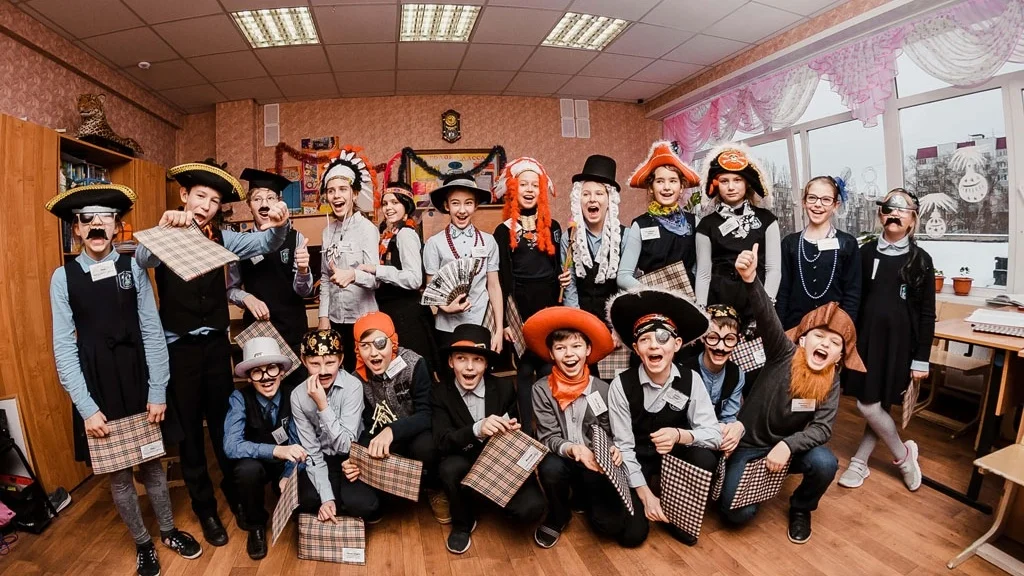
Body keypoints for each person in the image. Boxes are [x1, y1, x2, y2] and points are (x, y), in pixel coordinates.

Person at [47, 183, 201, 576]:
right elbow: (63, 348)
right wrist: (86, 408)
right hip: (98, 386)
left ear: (117, 226)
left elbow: (152, 330)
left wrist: (158, 389)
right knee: (118, 474)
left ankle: (168, 531)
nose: (96, 225)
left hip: (138, 378)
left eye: (105, 218)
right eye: (87, 220)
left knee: (152, 465)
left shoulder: (133, 267)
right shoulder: (62, 278)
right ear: (76, 229)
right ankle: (143, 543)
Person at [135, 159, 291, 546]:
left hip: (217, 348)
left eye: (214, 201)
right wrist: (162, 228)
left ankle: (236, 495)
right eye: (200, 196)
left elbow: (266, 243)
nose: (206, 205)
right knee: (190, 434)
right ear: (184, 196)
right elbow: (142, 260)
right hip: (180, 350)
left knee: (224, 427)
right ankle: (204, 508)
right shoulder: (166, 233)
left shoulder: (225, 238)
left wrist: (281, 225)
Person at [719, 243, 865, 544]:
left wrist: (787, 445)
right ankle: (762, 482)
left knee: (825, 463)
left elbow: (822, 428)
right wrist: (751, 279)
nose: (824, 344)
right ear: (802, 340)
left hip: (789, 448)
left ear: (839, 356)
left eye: (834, 343)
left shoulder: (832, 380)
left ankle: (801, 507)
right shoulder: (782, 352)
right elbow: (767, 315)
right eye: (819, 336)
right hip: (749, 445)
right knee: (736, 515)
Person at [606, 287, 722, 546]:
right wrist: (646, 497)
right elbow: (624, 448)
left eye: (662, 337)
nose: (654, 345)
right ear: (636, 349)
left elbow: (714, 435)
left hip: (674, 458)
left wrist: (679, 435)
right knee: (632, 536)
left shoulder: (692, 380)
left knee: (704, 457)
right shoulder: (620, 386)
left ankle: (676, 506)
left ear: (676, 344)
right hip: (637, 460)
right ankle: (648, 496)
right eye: (644, 339)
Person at [525, 307, 648, 549]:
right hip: (562, 457)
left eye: (576, 346)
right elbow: (548, 436)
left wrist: (612, 448)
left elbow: (609, 430)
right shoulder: (541, 389)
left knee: (613, 526)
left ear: (588, 350)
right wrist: (574, 449)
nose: (569, 354)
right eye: (560, 348)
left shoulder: (602, 389)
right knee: (549, 467)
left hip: (595, 462)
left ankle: (583, 497)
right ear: (551, 353)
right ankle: (559, 515)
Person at [839, 188, 933, 492]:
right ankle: (904, 455)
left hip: (900, 345)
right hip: (866, 341)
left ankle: (860, 461)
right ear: (881, 214)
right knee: (868, 404)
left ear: (912, 219)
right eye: (889, 208)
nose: (895, 214)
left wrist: (921, 358)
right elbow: (853, 298)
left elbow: (926, 314)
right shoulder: (865, 254)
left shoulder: (921, 260)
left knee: (879, 404)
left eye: (902, 209)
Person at [431, 324, 545, 554]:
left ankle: (491, 499)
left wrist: (512, 431)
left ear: (486, 364)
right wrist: (477, 429)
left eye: (478, 360)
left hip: (500, 460)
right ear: (451, 362)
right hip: (464, 459)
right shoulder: (440, 393)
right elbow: (442, 442)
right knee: (449, 468)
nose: (469, 367)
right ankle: (463, 523)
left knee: (532, 509)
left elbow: (515, 427)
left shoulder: (504, 387)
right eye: (461, 358)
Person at [340, 312, 448, 523]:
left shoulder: (414, 364)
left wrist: (392, 430)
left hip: (416, 435)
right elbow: (365, 425)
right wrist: (355, 458)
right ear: (357, 349)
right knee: (364, 500)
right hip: (384, 444)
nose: (374, 353)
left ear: (393, 342)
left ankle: (434, 487)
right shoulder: (356, 380)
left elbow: (427, 414)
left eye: (380, 343)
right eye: (365, 346)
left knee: (426, 447)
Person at [492, 157, 564, 431]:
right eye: (524, 184)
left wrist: (564, 276)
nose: (530, 189)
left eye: (535, 185)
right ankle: (525, 430)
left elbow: (558, 267)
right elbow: (501, 278)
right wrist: (505, 323)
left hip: (548, 306)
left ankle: (550, 428)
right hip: (518, 306)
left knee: (547, 367)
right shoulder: (503, 231)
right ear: (513, 189)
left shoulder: (553, 227)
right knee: (524, 369)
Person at [228, 168, 313, 389]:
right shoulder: (240, 243)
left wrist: (303, 270)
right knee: (264, 390)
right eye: (257, 199)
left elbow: (304, 292)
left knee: (296, 391)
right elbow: (231, 289)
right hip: (258, 332)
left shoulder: (296, 238)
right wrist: (246, 298)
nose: (264, 204)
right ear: (249, 204)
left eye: (270, 198)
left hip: (292, 329)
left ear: (279, 202)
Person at [223, 337, 306, 560]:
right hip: (255, 463)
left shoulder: (294, 395)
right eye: (257, 372)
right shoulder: (239, 398)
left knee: (304, 484)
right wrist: (275, 450)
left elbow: (301, 442)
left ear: (281, 371)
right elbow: (231, 446)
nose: (266, 377)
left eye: (272, 368)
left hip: (285, 464)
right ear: (249, 377)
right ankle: (255, 525)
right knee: (246, 471)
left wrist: (289, 474)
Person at [291, 329, 381, 523]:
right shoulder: (297, 396)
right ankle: (336, 501)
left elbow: (346, 446)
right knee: (307, 500)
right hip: (322, 457)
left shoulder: (353, 386)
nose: (323, 371)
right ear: (304, 360)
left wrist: (322, 406)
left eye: (330, 362)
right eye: (315, 364)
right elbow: (312, 451)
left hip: (352, 456)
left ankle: (345, 502)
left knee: (363, 505)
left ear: (341, 360)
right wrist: (327, 498)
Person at [695, 144, 781, 329]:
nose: (731, 187)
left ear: (747, 182)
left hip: (756, 296)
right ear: (716, 184)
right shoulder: (706, 224)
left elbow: (774, 269)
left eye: (737, 180)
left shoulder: (767, 220)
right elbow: (703, 274)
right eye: (724, 181)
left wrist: (766, 309)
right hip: (719, 301)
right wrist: (701, 313)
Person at [357, 182, 438, 371]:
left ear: (406, 205)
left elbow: (414, 279)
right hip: (393, 312)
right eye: (385, 203)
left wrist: (376, 269)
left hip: (407, 315)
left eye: (395, 202)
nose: (389, 208)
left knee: (412, 369)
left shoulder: (405, 234)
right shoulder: (390, 234)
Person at [422, 174, 503, 353]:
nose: (462, 210)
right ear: (446, 206)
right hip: (447, 327)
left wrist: (498, 330)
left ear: (475, 205)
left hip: (482, 322)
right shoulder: (434, 243)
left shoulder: (489, 241)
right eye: (455, 203)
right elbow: (431, 287)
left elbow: (494, 286)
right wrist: (445, 307)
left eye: (468, 203)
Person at [317, 149, 381, 373]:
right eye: (331, 191)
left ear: (354, 194)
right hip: (335, 320)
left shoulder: (367, 229)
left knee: (363, 375)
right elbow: (325, 277)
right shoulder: (327, 232)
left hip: (363, 319)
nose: (337, 196)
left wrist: (353, 275)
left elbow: (375, 280)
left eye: (343, 189)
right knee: (339, 373)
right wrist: (323, 316)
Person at [776, 176, 861, 330]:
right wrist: (779, 331)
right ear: (804, 202)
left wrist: (844, 330)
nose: (818, 204)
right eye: (812, 198)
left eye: (826, 200)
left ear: (835, 205)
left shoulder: (847, 243)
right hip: (794, 328)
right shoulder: (790, 243)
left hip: (833, 330)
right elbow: (783, 291)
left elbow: (852, 293)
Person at [617, 141, 702, 292]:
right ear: (651, 187)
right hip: (652, 300)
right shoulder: (640, 225)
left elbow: (699, 271)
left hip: (688, 300)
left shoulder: (694, 222)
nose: (667, 187)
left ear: (681, 187)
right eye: (660, 181)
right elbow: (623, 276)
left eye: (673, 181)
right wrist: (653, 293)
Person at [561, 155, 625, 327]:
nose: (592, 199)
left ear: (609, 200)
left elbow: (625, 289)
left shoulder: (625, 236)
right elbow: (570, 287)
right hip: (581, 321)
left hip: (615, 324)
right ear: (578, 200)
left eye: (599, 193)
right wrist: (577, 324)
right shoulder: (568, 238)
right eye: (586, 194)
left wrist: (618, 328)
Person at [680, 304, 746, 455]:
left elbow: (728, 416)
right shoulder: (685, 371)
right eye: (713, 338)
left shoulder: (736, 375)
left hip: (718, 437)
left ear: (737, 341)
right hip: (688, 438)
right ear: (703, 338)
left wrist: (734, 429)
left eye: (729, 339)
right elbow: (679, 419)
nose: (720, 347)